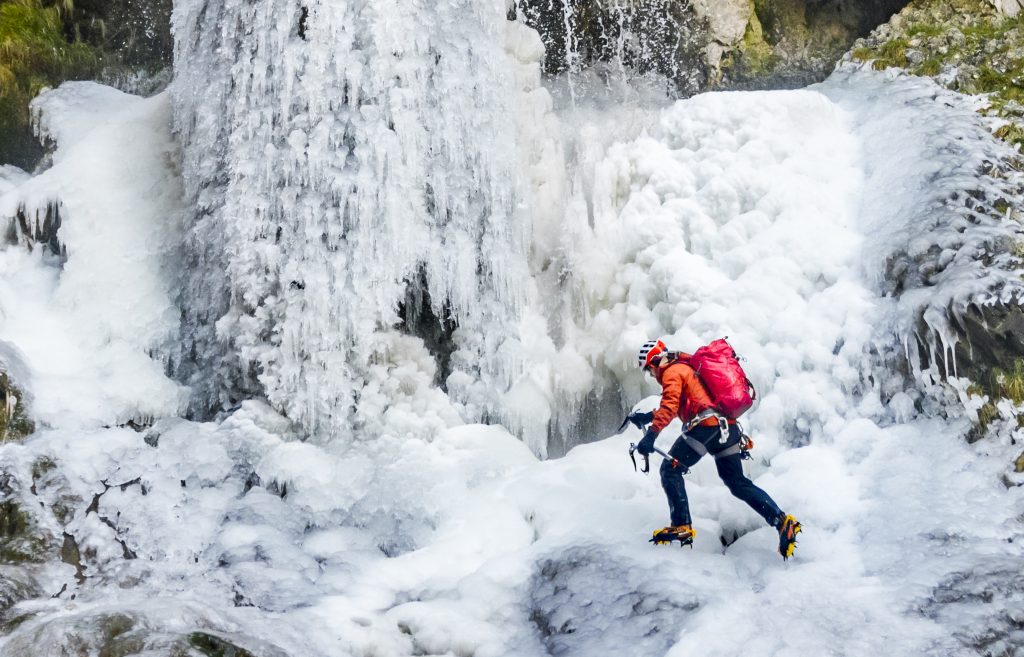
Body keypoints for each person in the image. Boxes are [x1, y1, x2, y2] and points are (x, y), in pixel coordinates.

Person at [629, 339, 801, 559]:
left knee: (670, 470)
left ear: (653, 361)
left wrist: (651, 435)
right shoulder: (686, 368)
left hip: (705, 428)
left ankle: (681, 526)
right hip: (726, 429)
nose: (651, 375)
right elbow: (686, 402)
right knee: (737, 483)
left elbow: (671, 405)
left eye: (649, 370)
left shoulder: (672, 370)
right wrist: (648, 417)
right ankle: (782, 521)